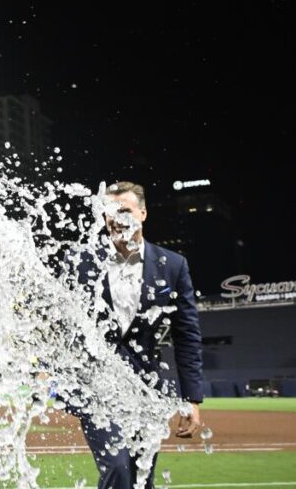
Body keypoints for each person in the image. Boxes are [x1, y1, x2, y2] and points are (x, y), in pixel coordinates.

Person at [73, 181, 203, 489]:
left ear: (142, 214)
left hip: (147, 390)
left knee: (141, 477)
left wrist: (192, 399)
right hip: (99, 389)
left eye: (125, 210)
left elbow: (186, 334)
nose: (116, 218)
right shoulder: (83, 262)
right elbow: (70, 327)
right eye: (109, 211)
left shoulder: (172, 265)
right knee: (118, 468)